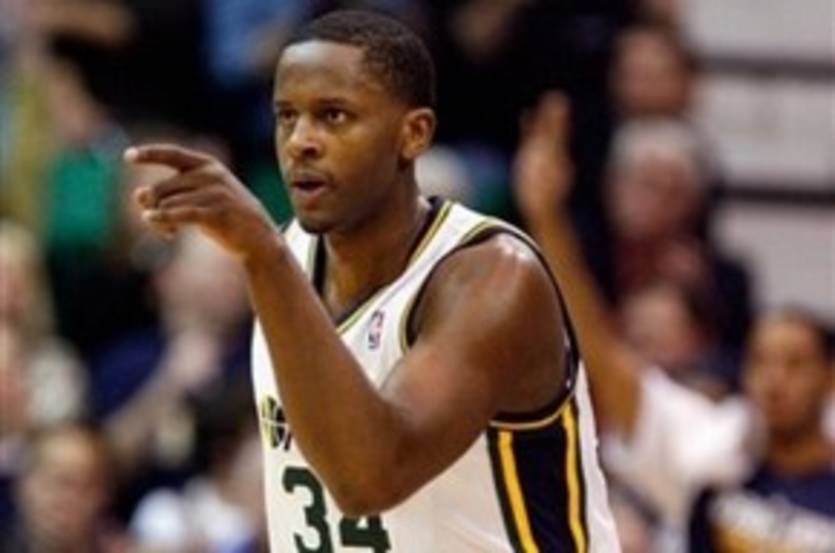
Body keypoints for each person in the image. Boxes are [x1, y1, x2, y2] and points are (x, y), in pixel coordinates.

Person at [125, 9, 620, 552]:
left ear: (414, 133)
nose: (300, 141)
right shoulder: (285, 257)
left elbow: (370, 480)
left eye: (333, 116)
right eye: (287, 116)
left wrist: (265, 259)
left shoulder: (493, 277)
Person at [513, 90, 835, 550]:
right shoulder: (715, 449)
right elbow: (605, 359)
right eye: (761, 362)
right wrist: (547, 218)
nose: (774, 380)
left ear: (829, 377)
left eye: (795, 363)